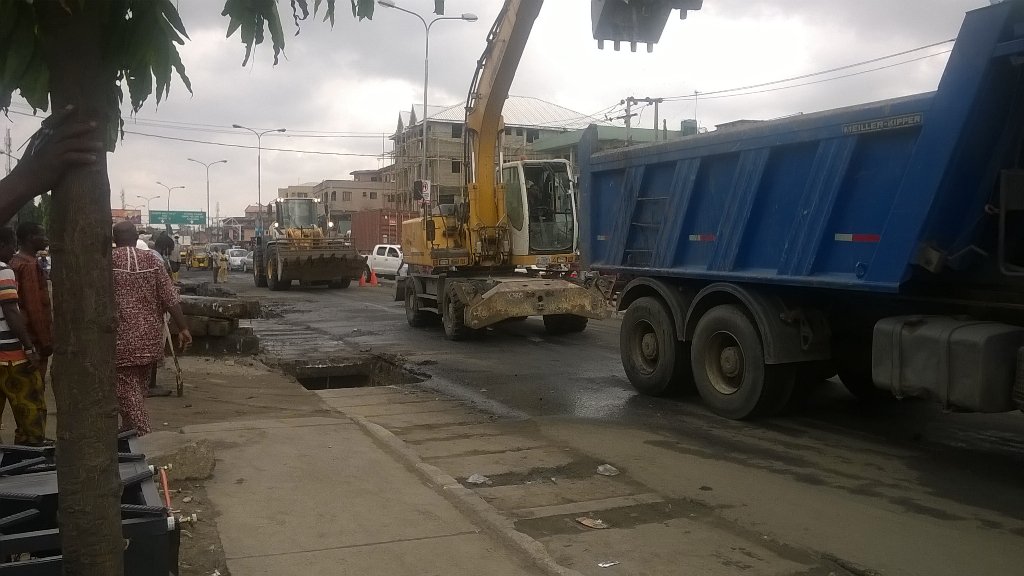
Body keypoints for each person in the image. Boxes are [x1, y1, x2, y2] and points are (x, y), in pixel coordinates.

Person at [112, 221, 192, 435]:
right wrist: (183, 328)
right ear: (136, 237)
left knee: (125, 390)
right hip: (150, 338)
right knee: (138, 389)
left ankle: (142, 433)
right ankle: (129, 430)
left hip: (121, 339)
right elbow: (170, 298)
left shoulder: (108, 262)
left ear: (114, 239)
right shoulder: (152, 260)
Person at [0, 227, 48, 445]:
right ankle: (30, 450)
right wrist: (29, 347)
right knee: (30, 405)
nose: (13, 251)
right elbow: (11, 310)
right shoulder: (4, 270)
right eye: (11, 245)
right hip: (10, 355)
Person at [10, 222, 53, 379]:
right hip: (33, 340)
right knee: (35, 385)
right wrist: (45, 341)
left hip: (18, 337)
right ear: (30, 238)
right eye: (42, 235)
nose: (46, 239)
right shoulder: (29, 265)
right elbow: (34, 307)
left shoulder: (14, 261)